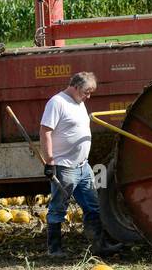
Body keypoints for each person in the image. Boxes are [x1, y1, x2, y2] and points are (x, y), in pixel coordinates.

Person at [40, 71, 116, 258]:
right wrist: (50, 161)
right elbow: (45, 132)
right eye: (86, 92)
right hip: (65, 166)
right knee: (58, 207)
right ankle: (54, 249)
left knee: (93, 205)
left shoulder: (79, 103)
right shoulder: (57, 103)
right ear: (74, 87)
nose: (88, 96)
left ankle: (99, 246)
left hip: (83, 166)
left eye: (90, 92)